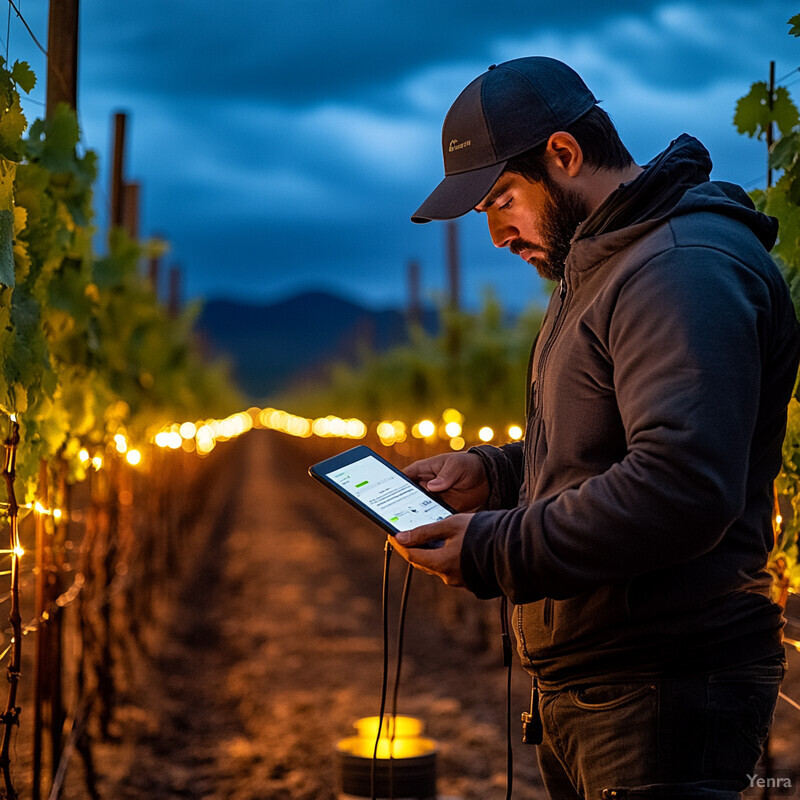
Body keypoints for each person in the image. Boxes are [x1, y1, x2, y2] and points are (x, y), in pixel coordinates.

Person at [390, 56, 800, 799]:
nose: (495, 235)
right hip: (613, 687)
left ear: (564, 155)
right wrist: (496, 475)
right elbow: (603, 446)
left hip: (661, 690)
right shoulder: (607, 265)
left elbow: (681, 486)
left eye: (501, 200)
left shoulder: (682, 269)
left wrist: (492, 547)